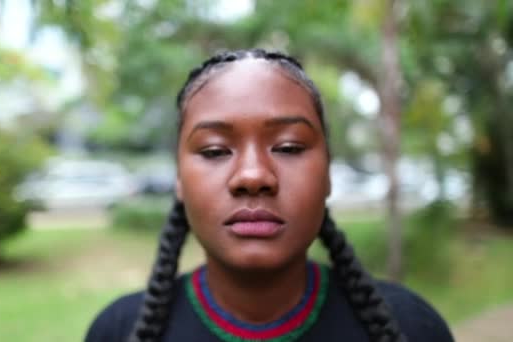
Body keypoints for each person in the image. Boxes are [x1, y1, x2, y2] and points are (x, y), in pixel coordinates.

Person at [85, 49, 454, 342]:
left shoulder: (413, 326)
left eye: (290, 147)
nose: (253, 175)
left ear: (327, 173)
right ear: (179, 179)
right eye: (214, 150)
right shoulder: (118, 330)